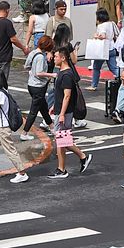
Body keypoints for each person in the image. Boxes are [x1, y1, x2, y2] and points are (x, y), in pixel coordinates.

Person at [49, 46, 92, 180]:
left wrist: (61, 113)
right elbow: (60, 95)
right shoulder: (62, 72)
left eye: (56, 57)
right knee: (61, 140)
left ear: (62, 58)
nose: (54, 59)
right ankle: (63, 167)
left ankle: (80, 158)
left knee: (62, 139)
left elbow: (67, 96)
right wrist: (54, 107)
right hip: (61, 110)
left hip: (65, 112)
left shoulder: (67, 75)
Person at [0, 2, 30, 82]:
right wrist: (23, 48)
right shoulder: (7, 23)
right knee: (2, 80)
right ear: (7, 10)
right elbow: (13, 39)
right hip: (4, 56)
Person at [87, 8, 121, 91]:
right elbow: (117, 34)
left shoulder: (101, 26)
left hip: (102, 50)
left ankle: (94, 85)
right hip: (112, 48)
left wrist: (96, 36)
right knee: (113, 68)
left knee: (96, 67)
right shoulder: (111, 23)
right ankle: (122, 79)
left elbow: (103, 36)